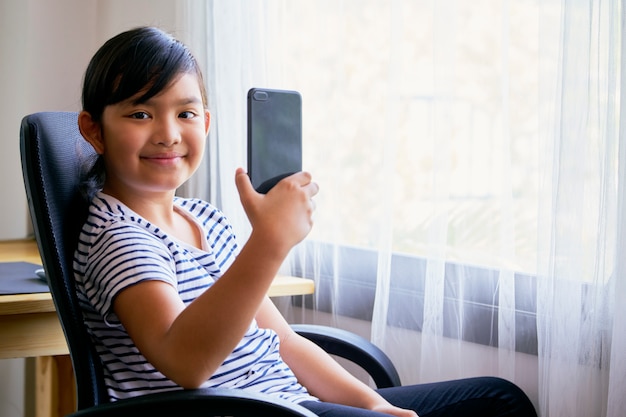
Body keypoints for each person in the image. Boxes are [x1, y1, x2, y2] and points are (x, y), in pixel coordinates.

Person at [73, 26, 537, 417]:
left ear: (207, 124)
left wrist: (371, 405)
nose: (169, 133)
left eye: (185, 113)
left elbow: (285, 344)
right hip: (241, 410)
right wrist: (270, 242)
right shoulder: (118, 236)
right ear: (93, 129)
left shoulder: (203, 219)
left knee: (498, 400)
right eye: (140, 113)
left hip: (286, 403)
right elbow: (184, 362)